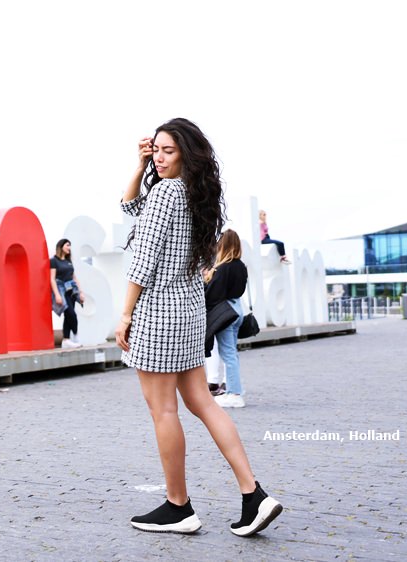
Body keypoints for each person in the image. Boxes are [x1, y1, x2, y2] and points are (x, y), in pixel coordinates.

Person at [115, 119, 282, 536]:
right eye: (155, 149)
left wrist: (126, 313)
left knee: (163, 410)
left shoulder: (166, 192)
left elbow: (144, 259)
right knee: (203, 403)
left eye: (168, 150)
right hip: (190, 310)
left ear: (187, 154)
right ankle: (254, 494)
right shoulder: (197, 194)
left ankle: (179, 507)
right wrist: (139, 166)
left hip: (159, 310)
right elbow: (130, 207)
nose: (159, 157)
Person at [204, 229, 248, 408]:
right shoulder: (241, 266)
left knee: (228, 354)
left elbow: (213, 295)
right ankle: (235, 389)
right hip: (237, 309)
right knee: (232, 354)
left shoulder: (222, 268)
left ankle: (234, 393)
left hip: (225, 313)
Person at [50, 238, 84, 348]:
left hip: (71, 291)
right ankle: (75, 335)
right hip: (61, 290)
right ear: (61, 246)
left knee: (68, 315)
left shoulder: (68, 261)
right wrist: (57, 294)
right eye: (67, 245)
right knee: (71, 314)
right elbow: (52, 279)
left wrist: (81, 292)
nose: (69, 248)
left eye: (70, 245)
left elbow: (74, 277)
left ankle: (66, 340)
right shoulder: (54, 261)